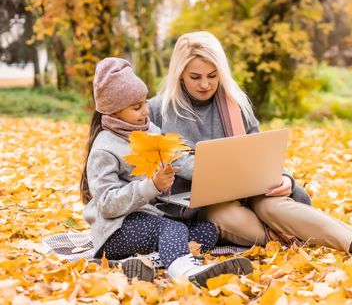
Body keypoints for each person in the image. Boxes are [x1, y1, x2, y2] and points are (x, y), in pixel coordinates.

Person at [148, 31, 352, 260]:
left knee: (275, 207)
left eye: (212, 75)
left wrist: (285, 179)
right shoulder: (159, 110)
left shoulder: (235, 103)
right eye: (195, 77)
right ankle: (292, 235)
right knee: (228, 216)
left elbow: (263, 151)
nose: (206, 84)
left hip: (250, 188)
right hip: (201, 202)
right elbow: (159, 157)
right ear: (179, 74)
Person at [79, 57, 252, 286]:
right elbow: (107, 204)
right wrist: (151, 186)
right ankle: (185, 271)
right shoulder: (105, 148)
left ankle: (142, 262)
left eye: (144, 102)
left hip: (150, 223)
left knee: (207, 231)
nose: (145, 111)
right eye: (137, 107)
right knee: (172, 228)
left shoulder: (149, 130)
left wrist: (215, 170)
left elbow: (177, 157)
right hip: (116, 230)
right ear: (114, 111)